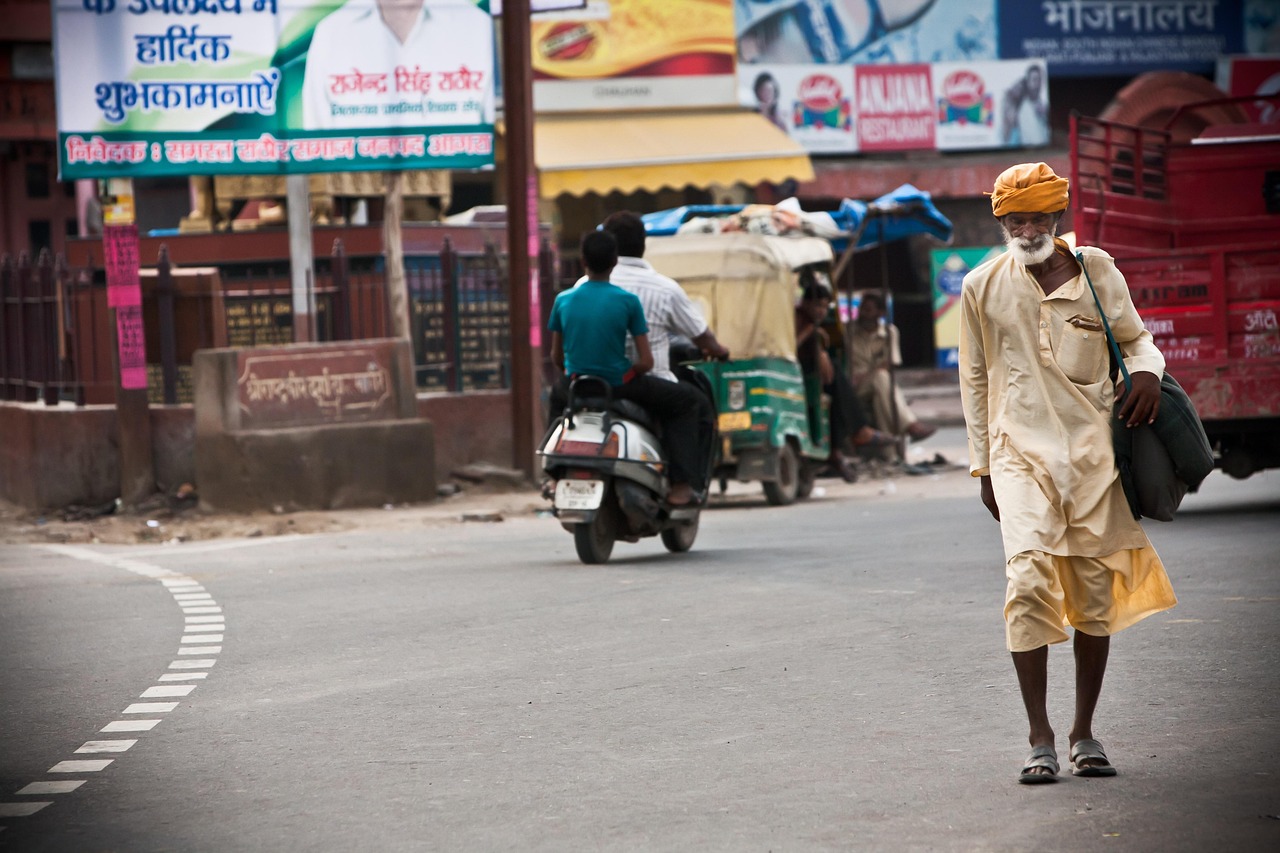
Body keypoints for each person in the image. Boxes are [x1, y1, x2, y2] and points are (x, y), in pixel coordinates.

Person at [959, 162, 1178, 785]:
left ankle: (1084, 731)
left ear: (1058, 217)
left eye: (1037, 219)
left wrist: (1147, 373)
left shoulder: (1096, 270)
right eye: (1015, 221)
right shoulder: (981, 285)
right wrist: (983, 467)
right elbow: (974, 379)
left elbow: (1136, 340)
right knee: (1028, 579)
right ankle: (1040, 736)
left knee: (1094, 597)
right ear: (1002, 223)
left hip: (1093, 457)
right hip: (1017, 455)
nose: (1027, 230)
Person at [548, 230, 704, 506]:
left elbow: (557, 357)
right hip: (620, 384)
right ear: (614, 262)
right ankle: (681, 485)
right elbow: (647, 362)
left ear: (583, 261)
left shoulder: (563, 300)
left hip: (576, 383)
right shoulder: (627, 301)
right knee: (687, 401)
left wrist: (575, 372)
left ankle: (551, 475)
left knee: (556, 399)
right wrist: (627, 371)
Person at [302, 0, 494, 131]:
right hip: (355, 180)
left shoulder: (477, 26)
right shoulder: (331, 32)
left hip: (466, 179)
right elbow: (316, 144)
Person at [795, 273, 894, 481]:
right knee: (835, 375)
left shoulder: (814, 323)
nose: (821, 311)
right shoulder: (799, 319)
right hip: (794, 374)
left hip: (811, 376)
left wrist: (820, 349)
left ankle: (836, 450)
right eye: (817, 305)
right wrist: (811, 333)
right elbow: (792, 346)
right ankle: (856, 434)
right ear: (805, 303)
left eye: (825, 307)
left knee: (834, 392)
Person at [848, 290, 936, 447]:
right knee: (882, 380)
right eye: (862, 309)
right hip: (855, 386)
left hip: (877, 382)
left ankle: (889, 451)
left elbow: (889, 363)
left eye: (868, 310)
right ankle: (911, 426)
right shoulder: (849, 331)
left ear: (880, 313)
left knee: (881, 389)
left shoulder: (890, 332)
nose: (862, 313)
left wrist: (868, 375)